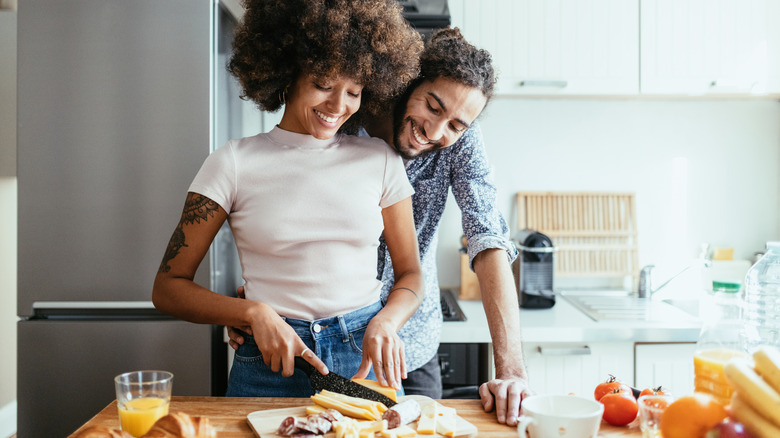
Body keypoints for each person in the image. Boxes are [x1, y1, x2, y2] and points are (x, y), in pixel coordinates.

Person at [230, 28, 532, 424]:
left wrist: (510, 370)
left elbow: (487, 236)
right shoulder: (339, 118)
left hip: (406, 348)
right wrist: (259, 300)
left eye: (456, 124)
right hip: (309, 345)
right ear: (409, 82)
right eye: (432, 106)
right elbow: (280, 208)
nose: (437, 132)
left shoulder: (460, 139)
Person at [153, 0, 425, 397]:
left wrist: (386, 322)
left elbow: (410, 274)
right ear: (286, 72)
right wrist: (251, 312)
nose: (338, 106)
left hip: (362, 360)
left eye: (354, 91)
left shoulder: (380, 159)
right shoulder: (232, 162)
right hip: (269, 360)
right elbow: (168, 287)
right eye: (323, 84)